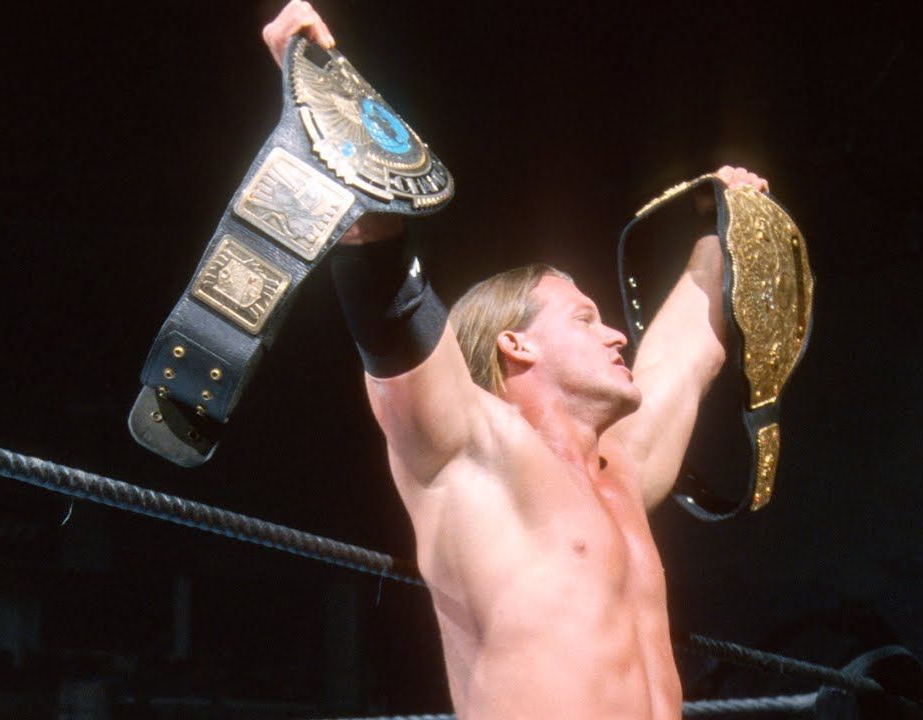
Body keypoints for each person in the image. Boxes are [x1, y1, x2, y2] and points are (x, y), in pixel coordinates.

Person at [264, 3, 770, 717]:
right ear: (515, 345)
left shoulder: (619, 471)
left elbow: (689, 354)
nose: (617, 335)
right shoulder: (470, 454)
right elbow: (391, 309)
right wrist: (321, 85)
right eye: (586, 318)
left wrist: (727, 222)